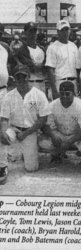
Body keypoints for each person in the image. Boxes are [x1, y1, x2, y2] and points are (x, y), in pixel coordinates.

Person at [0, 64, 50, 176]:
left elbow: (43, 119)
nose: (20, 80)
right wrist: (3, 132)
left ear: (28, 77)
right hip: (13, 128)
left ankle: (31, 151)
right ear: (14, 78)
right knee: (0, 137)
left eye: (23, 76)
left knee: (31, 168)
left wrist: (26, 133)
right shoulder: (8, 96)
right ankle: (2, 167)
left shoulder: (39, 94)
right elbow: (4, 118)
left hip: (30, 130)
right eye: (18, 77)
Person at [38, 81, 81, 165]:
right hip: (60, 134)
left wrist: (69, 142)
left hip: (76, 135)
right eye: (62, 94)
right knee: (42, 141)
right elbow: (44, 125)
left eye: (67, 94)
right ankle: (56, 155)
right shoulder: (53, 105)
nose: (64, 96)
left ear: (73, 94)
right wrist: (53, 135)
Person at [0, 23, 17, 185]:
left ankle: (2, 165)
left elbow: (14, 62)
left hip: (2, 91)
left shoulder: (4, 47)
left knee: (2, 128)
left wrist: (10, 75)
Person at [46, 20, 78, 99]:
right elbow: (50, 70)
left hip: (73, 82)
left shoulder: (73, 46)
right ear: (58, 32)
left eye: (67, 29)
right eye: (62, 30)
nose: (65, 32)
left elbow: (77, 66)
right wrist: (54, 90)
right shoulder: (52, 48)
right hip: (60, 83)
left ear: (70, 31)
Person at [17, 22, 46, 94]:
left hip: (42, 83)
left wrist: (42, 66)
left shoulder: (42, 49)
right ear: (25, 33)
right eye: (30, 31)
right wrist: (43, 65)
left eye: (34, 31)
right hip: (31, 83)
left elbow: (47, 66)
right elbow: (31, 68)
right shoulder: (23, 49)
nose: (33, 34)